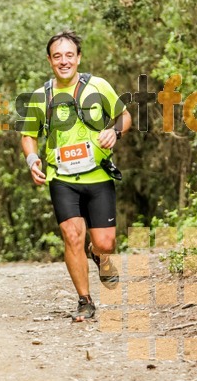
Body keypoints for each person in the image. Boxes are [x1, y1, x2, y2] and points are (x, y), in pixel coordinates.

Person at [20, 30, 132, 321]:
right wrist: (32, 159)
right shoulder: (41, 96)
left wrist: (114, 131)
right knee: (72, 237)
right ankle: (84, 300)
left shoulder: (98, 86)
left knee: (105, 242)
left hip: (98, 175)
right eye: (57, 56)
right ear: (49, 61)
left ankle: (99, 255)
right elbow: (28, 136)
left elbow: (125, 116)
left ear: (78, 58)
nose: (64, 61)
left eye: (69, 55)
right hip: (62, 178)